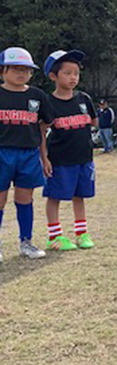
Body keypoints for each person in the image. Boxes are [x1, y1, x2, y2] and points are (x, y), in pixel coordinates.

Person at [0, 47, 54, 262]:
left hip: (28, 154)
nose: (21, 73)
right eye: (15, 69)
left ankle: (26, 242)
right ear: (3, 70)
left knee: (25, 198)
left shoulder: (37, 96)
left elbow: (45, 123)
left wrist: (43, 156)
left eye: (26, 70)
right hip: (2, 153)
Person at [42, 50, 97, 251]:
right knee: (55, 196)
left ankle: (81, 234)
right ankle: (54, 237)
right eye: (67, 73)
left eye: (76, 73)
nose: (73, 77)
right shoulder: (48, 103)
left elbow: (93, 122)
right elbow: (41, 132)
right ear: (53, 76)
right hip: (59, 160)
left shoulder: (84, 99)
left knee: (79, 195)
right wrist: (44, 158)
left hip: (84, 158)